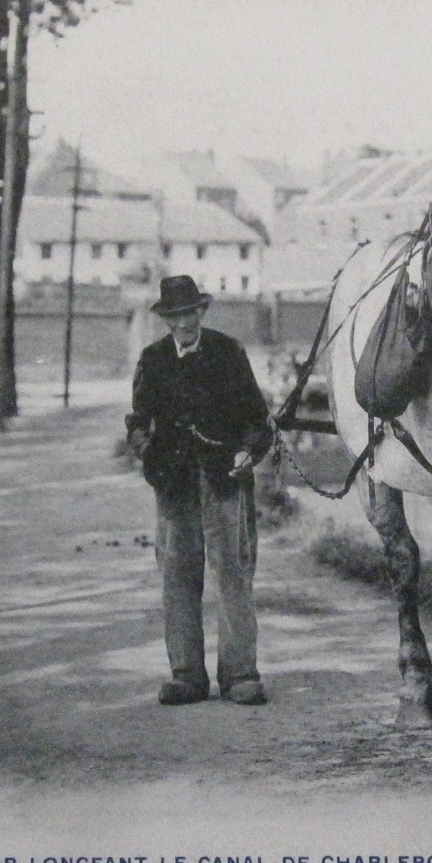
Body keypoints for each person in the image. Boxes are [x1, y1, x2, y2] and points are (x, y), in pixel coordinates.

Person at [126, 275, 274, 706]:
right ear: (166, 320)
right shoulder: (152, 361)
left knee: (232, 573)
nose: (182, 325)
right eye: (174, 317)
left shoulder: (229, 354)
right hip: (175, 485)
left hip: (224, 481)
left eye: (189, 315)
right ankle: (187, 676)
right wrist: (146, 450)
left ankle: (241, 675)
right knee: (177, 576)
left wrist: (248, 450)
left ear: (200, 313)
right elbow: (137, 420)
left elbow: (256, 418)